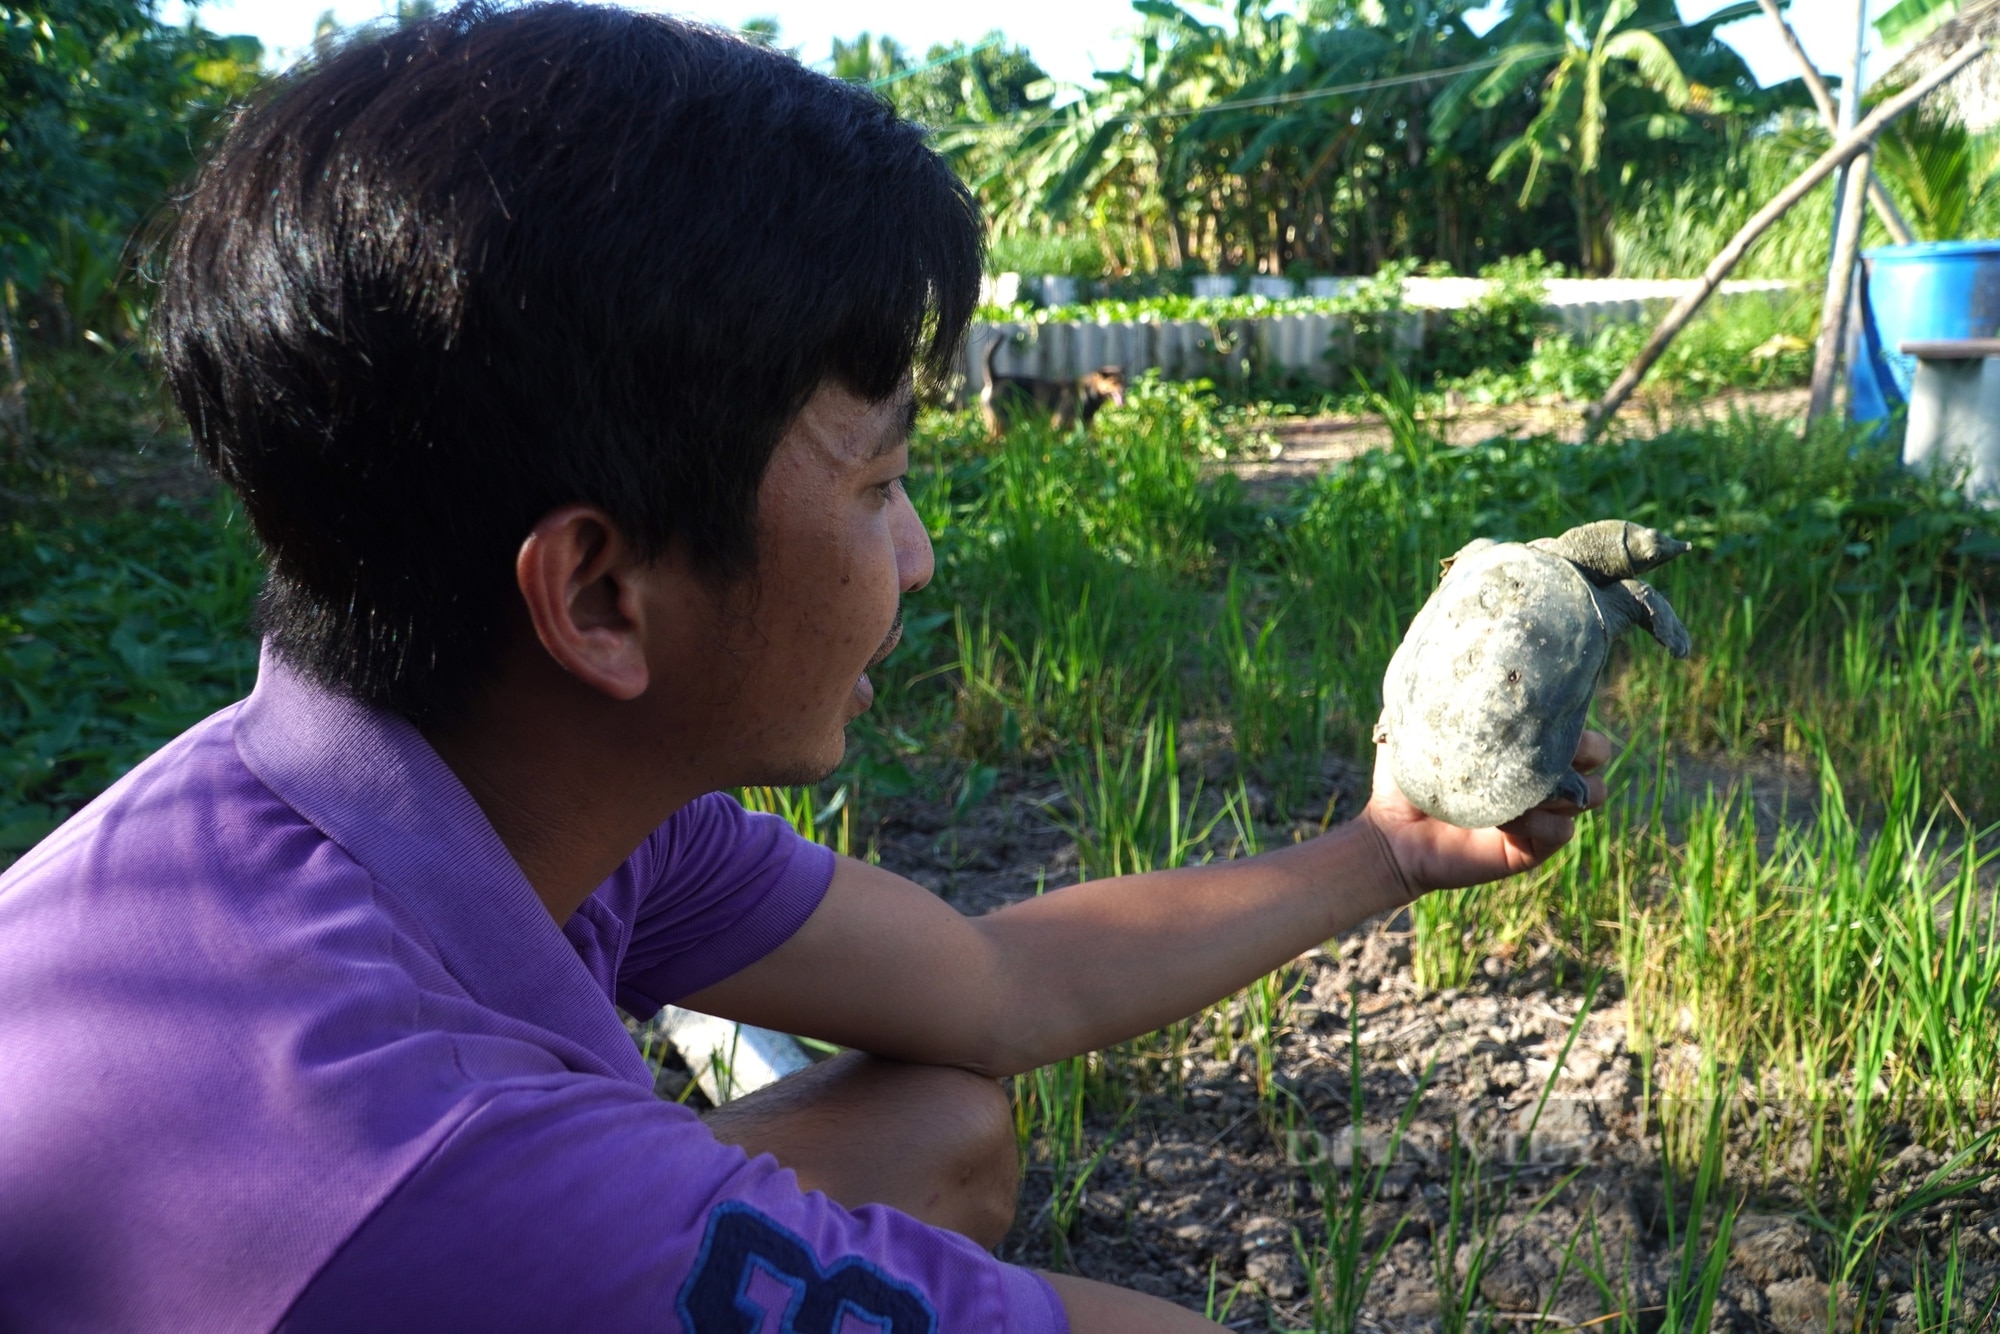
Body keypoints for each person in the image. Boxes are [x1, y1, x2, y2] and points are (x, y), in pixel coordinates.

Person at [0, 5, 1607, 1330]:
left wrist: (1392, 847)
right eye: (876, 482)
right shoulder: (454, 1171)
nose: (913, 555)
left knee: (938, 1125)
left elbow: (992, 990)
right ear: (599, 594)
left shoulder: (456, 783)